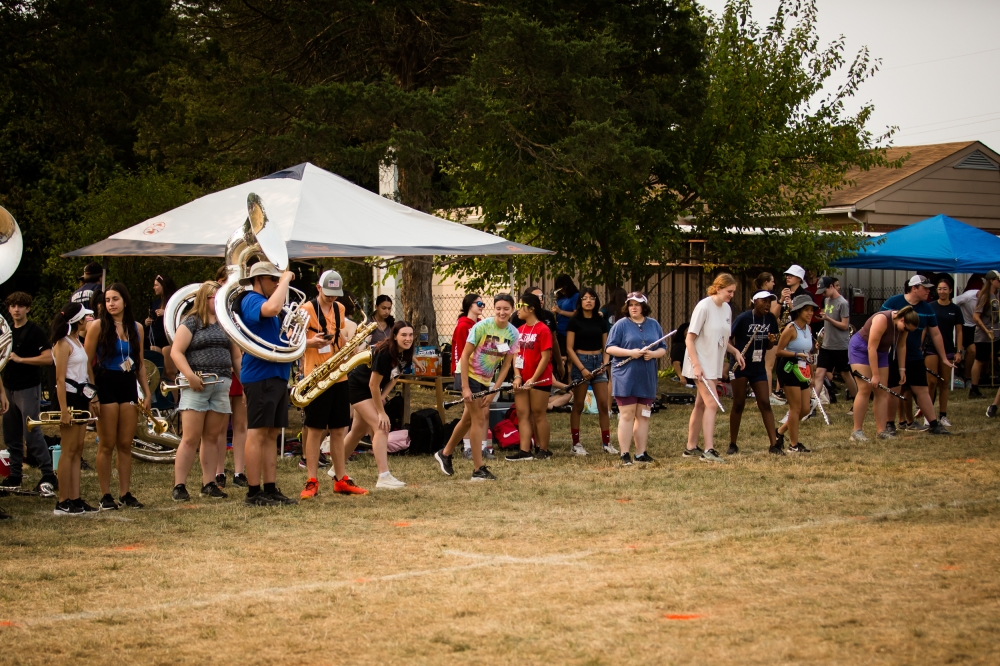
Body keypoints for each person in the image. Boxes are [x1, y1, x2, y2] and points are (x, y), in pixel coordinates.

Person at [433, 294, 519, 481]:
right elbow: (464, 356)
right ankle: (478, 469)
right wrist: (465, 387)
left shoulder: (513, 333)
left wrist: (494, 390)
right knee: (479, 419)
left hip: (485, 380)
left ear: (512, 309)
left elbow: (506, 365)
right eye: (498, 308)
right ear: (494, 309)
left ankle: (445, 454)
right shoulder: (481, 327)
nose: (502, 312)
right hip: (468, 375)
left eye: (506, 309)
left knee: (467, 420)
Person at [169, 281, 241, 501]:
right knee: (190, 437)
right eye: (215, 298)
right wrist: (190, 376)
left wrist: (244, 383)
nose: (219, 302)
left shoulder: (226, 323)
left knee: (212, 436)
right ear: (205, 298)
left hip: (221, 384)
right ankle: (179, 485)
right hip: (197, 383)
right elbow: (176, 351)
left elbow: (236, 357)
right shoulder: (192, 321)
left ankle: (208, 483)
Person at [299, 269, 367, 498]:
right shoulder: (306, 310)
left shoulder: (339, 308)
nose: (332, 298)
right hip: (316, 376)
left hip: (339, 375)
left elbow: (338, 335)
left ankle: (340, 479)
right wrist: (312, 343)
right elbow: (292, 340)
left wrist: (350, 348)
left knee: (339, 429)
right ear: (318, 288)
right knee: (315, 429)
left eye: (335, 294)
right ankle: (311, 480)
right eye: (328, 293)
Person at [84, 282, 153, 510]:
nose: (111, 304)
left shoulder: (136, 328)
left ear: (125, 301)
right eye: (107, 300)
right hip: (105, 382)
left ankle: (125, 493)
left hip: (128, 384)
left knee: (125, 443)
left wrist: (146, 392)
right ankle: (106, 495)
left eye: (115, 299)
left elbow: (139, 363)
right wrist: (92, 394)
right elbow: (86, 362)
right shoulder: (97, 326)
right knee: (107, 443)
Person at [237, 262, 298, 506]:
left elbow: (278, 337)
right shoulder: (251, 299)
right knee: (258, 433)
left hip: (276, 374)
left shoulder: (268, 304)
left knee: (272, 434)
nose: (276, 283)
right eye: (272, 279)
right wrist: (286, 279)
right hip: (260, 374)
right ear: (258, 280)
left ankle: (270, 488)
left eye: (277, 280)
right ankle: (253, 492)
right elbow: (272, 308)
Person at [343, 320, 414, 489]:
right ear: (394, 336)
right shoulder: (385, 353)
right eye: (403, 335)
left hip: (372, 389)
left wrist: (382, 397)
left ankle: (335, 468)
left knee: (357, 431)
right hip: (358, 387)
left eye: (411, 335)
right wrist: (381, 412)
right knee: (381, 427)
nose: (408, 338)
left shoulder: (406, 354)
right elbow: (372, 385)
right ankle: (384, 476)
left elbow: (394, 378)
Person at [880, 275, 954, 435]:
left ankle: (934, 424)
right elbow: (880, 324)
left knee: (922, 390)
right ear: (914, 288)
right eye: (925, 288)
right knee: (894, 390)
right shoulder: (893, 302)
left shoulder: (927, 309)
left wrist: (943, 358)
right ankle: (889, 424)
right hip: (893, 356)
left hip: (915, 356)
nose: (929, 291)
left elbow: (936, 334)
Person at [680, 275, 742, 463]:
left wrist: (735, 351)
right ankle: (709, 449)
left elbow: (722, 339)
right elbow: (689, 338)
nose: (731, 295)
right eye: (729, 291)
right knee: (712, 403)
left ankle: (691, 447)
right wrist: (697, 365)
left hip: (713, 364)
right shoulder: (704, 306)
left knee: (701, 404)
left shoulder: (727, 309)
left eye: (733, 292)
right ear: (718, 288)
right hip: (700, 363)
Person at [0, 292, 55, 495]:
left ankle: (48, 473)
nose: (16, 310)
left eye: (21, 306)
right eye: (13, 306)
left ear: (28, 308)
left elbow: (48, 358)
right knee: (11, 434)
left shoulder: (35, 331)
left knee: (31, 433)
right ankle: (15, 474)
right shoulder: (6, 332)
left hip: (28, 388)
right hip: (9, 387)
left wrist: (21, 360)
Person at [607, 291, 668, 464]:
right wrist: (630, 353)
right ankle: (625, 453)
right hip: (625, 376)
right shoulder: (620, 325)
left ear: (644, 306)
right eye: (631, 305)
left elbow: (663, 348)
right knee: (627, 415)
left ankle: (641, 453)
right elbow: (610, 348)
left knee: (643, 415)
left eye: (637, 305)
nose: (634, 308)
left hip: (646, 376)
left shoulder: (654, 324)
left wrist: (653, 354)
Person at [50, 303, 97, 515]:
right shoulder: (62, 343)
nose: (88, 321)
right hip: (68, 397)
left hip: (79, 397)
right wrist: (63, 410)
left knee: (78, 449)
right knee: (68, 450)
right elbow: (60, 379)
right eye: (85, 318)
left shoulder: (77, 341)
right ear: (78, 321)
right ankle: (63, 500)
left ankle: (75, 498)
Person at [848, 307, 918, 441]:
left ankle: (881, 430)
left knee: (882, 391)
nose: (906, 331)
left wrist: (902, 369)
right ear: (902, 319)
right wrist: (875, 375)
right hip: (861, 348)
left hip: (881, 352)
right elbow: (871, 348)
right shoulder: (882, 319)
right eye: (906, 328)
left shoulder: (903, 327)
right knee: (865, 389)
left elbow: (901, 346)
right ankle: (856, 431)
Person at [728, 291, 779, 455]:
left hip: (758, 366)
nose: (767, 304)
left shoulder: (770, 319)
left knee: (765, 402)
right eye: (764, 301)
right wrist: (735, 353)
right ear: (755, 302)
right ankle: (733, 444)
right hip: (740, 366)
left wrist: (771, 342)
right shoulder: (743, 318)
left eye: (769, 301)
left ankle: (774, 444)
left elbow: (770, 345)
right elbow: (728, 337)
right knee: (738, 403)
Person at [505, 293, 554, 462]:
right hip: (522, 379)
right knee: (522, 414)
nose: (517, 310)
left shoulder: (543, 329)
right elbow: (515, 356)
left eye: (520, 306)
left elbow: (545, 357)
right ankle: (524, 450)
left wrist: (533, 378)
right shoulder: (519, 330)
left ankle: (544, 450)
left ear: (531, 308)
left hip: (539, 379)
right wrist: (517, 376)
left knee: (538, 414)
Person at [565, 287, 613, 455]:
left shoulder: (601, 320)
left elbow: (606, 346)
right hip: (581, 362)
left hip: (598, 362)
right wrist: (582, 368)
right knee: (578, 404)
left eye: (591, 298)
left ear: (596, 301)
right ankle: (576, 444)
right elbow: (569, 348)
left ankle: (606, 443)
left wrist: (604, 364)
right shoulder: (574, 321)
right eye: (585, 298)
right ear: (580, 301)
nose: (588, 301)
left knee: (603, 404)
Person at [440, 294, 487, 461]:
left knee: (474, 414)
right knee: (475, 415)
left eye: (483, 303)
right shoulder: (463, 326)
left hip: (480, 374)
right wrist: (462, 378)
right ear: (469, 305)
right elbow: (460, 354)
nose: (482, 306)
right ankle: (468, 448)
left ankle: (478, 446)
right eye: (479, 303)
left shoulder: (480, 325)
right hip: (468, 374)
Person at [773, 295, 817, 453]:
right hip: (789, 368)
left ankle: (779, 432)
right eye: (807, 310)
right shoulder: (791, 329)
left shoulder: (808, 329)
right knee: (795, 408)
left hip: (803, 369)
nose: (810, 313)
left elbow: (808, 353)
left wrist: (812, 375)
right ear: (798, 311)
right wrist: (796, 354)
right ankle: (794, 445)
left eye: (812, 310)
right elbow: (779, 351)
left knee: (805, 408)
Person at [813, 276, 858, 411]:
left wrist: (828, 318)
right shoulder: (827, 300)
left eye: (824, 291)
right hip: (826, 345)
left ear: (831, 287)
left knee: (845, 374)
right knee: (819, 373)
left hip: (840, 346)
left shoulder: (842, 303)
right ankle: (813, 405)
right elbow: (828, 321)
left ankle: (857, 401)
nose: (823, 294)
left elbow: (844, 326)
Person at [924, 277, 962, 426]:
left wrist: (959, 351)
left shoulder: (955, 309)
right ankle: (928, 415)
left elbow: (959, 332)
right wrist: (920, 345)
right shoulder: (930, 306)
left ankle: (943, 415)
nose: (942, 291)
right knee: (931, 382)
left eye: (945, 289)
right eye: (939, 289)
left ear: (950, 290)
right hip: (931, 348)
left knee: (944, 383)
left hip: (948, 349)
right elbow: (925, 328)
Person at [512, 286, 564, 381]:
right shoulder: (518, 323)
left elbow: (552, 344)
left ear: (531, 308)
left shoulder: (545, 325)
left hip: (540, 377)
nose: (540, 300)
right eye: (536, 297)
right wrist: (517, 376)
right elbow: (515, 353)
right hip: (522, 374)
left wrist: (560, 363)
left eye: (541, 297)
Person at [970, 270, 1000, 399]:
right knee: (980, 360)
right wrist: (986, 330)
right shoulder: (984, 296)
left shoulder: (997, 295)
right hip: (984, 335)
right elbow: (976, 316)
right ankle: (974, 389)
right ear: (991, 281)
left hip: (997, 333)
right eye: (998, 280)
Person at [954, 280, 980, 389]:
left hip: (980, 326)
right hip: (966, 325)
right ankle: (967, 377)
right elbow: (952, 302)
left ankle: (984, 374)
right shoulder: (968, 296)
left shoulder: (992, 297)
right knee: (972, 350)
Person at [145, 274, 177, 353]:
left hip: (168, 337)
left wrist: (166, 313)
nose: (154, 287)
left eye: (156, 285)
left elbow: (180, 316)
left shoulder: (174, 300)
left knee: (166, 353)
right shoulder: (156, 302)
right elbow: (152, 318)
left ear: (163, 286)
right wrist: (147, 321)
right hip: (155, 338)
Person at [552, 274, 580, 361]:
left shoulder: (575, 296)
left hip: (569, 330)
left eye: (562, 287)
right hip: (559, 330)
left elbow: (576, 314)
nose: (561, 290)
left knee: (569, 357)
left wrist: (560, 311)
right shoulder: (560, 298)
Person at [668, 322, 692, 387]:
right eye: (687, 330)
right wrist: (681, 377)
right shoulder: (678, 346)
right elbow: (676, 362)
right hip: (687, 378)